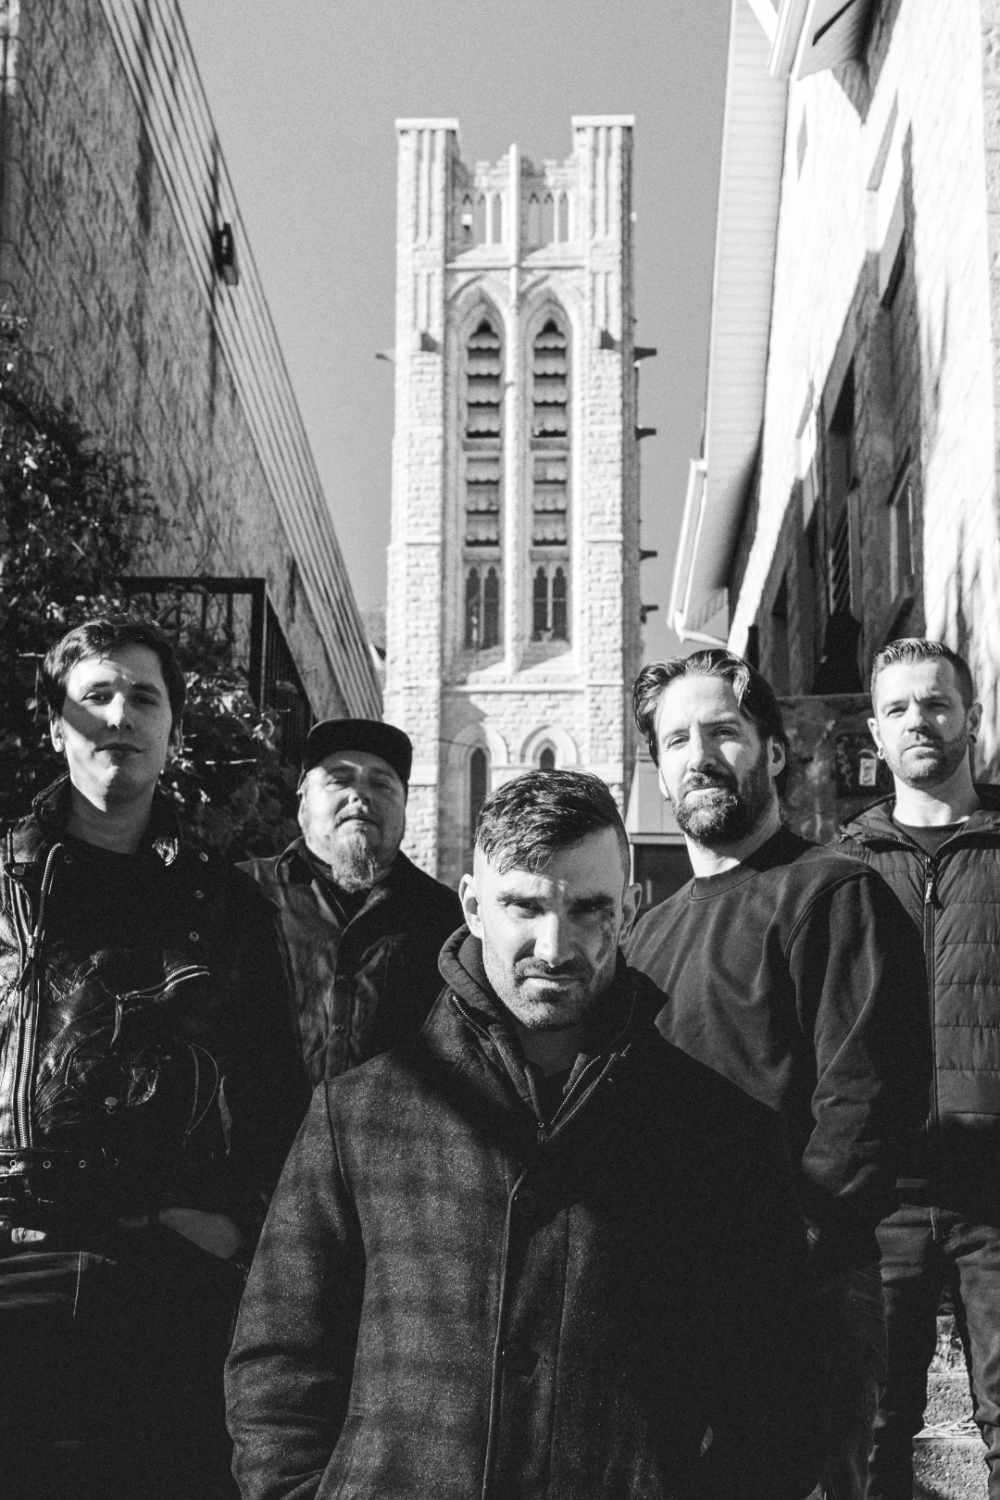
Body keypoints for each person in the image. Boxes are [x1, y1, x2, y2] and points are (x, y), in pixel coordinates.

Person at [226, 769, 821, 1500]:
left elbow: (780, 1394)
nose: (555, 945)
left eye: (589, 909)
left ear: (630, 908)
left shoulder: (717, 1133)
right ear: (474, 906)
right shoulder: (359, 1118)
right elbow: (279, 1367)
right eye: (525, 906)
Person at [0, 616, 306, 1499]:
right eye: (95, 695)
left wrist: (233, 1227)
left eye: (144, 697)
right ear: (55, 724)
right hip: (15, 1254)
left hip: (168, 1278)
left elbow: (277, 1097)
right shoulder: (2, 885)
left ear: (172, 729)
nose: (119, 715)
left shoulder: (225, 906)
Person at [627, 648, 929, 1500]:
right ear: (659, 770)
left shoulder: (832, 894)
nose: (699, 755)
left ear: (774, 749)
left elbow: (863, 1107)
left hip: (799, 1308)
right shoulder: (645, 938)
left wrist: (778, 1260)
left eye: (722, 731)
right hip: (672, 1305)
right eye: (676, 740)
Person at [837, 637, 1000, 1500]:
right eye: (898, 708)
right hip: (884, 1199)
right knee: (872, 1435)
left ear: (972, 715)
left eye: (937, 702)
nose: (920, 721)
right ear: (875, 732)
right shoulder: (840, 870)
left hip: (996, 1194)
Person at [241, 718, 461, 1085]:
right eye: (339, 780)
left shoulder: (447, 921)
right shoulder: (240, 894)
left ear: (405, 805)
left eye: (381, 784)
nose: (360, 796)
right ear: (303, 800)